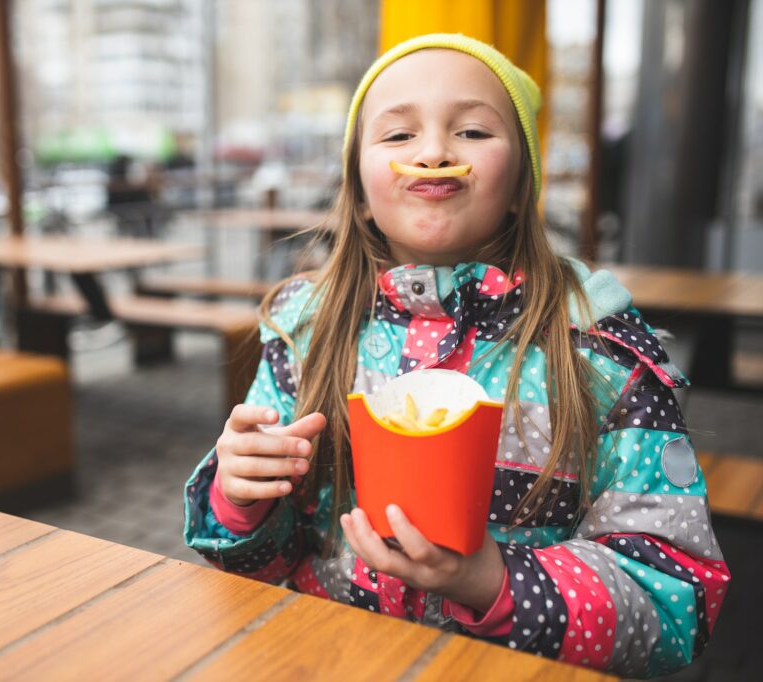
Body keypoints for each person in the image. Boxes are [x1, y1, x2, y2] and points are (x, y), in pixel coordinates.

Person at [183, 34, 728, 677]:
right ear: (359, 190)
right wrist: (240, 500)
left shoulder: (600, 349)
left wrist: (493, 582)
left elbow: (673, 601)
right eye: (397, 136)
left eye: (471, 131)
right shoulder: (308, 332)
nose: (435, 152)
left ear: (523, 184)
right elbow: (265, 561)